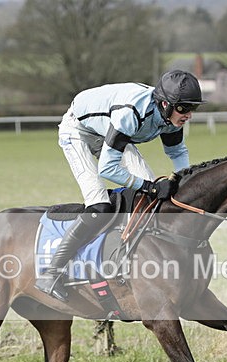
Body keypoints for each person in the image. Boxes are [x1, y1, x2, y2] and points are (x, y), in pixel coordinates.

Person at [36, 69, 206, 301]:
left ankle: (135, 258)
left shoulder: (171, 117)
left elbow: (177, 153)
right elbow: (107, 169)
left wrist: (185, 184)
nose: (188, 115)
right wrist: (151, 186)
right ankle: (51, 273)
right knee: (99, 207)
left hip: (108, 129)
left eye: (192, 108)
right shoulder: (132, 114)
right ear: (165, 104)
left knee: (150, 198)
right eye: (184, 108)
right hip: (78, 131)